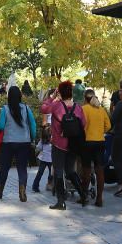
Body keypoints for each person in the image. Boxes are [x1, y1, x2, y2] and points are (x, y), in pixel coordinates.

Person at [41, 81, 87, 210]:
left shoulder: (56, 105)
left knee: (59, 172)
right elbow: (83, 124)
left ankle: (61, 201)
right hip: (73, 144)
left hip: (58, 144)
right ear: (71, 93)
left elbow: (44, 108)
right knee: (71, 170)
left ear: (60, 92)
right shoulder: (78, 107)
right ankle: (83, 194)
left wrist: (52, 97)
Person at [0, 86, 36, 202]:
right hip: (24, 142)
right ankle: (22, 192)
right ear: (20, 96)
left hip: (8, 142)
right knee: (22, 168)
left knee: (4, 168)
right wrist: (33, 137)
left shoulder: (5, 109)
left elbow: (1, 126)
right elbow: (33, 125)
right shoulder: (26, 109)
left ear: (9, 96)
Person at [80, 88, 111, 207]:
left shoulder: (83, 109)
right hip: (100, 142)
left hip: (87, 143)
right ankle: (99, 198)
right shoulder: (101, 110)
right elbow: (108, 126)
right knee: (100, 170)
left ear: (85, 98)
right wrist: (99, 131)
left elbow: (80, 126)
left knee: (86, 170)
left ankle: (84, 197)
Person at [31, 127, 53, 194]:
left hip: (43, 159)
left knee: (40, 173)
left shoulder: (42, 140)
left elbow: (38, 148)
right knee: (51, 173)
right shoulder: (53, 140)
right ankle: (50, 185)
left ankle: (35, 186)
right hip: (51, 159)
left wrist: (35, 147)